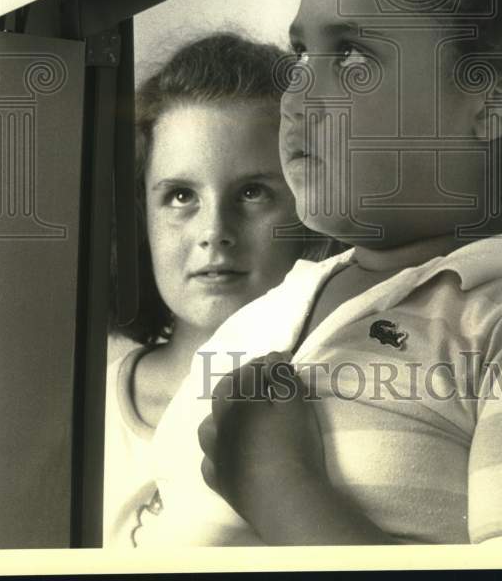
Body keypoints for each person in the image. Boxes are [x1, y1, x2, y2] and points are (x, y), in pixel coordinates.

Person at [139, 0, 502, 547]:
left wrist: (280, 484)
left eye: (353, 58)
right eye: (301, 54)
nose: (298, 94)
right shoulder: (275, 306)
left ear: (495, 105)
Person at [103, 31, 335, 547]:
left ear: (309, 211)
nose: (215, 231)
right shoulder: (82, 400)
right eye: (181, 195)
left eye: (253, 192)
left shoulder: (333, 397)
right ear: (139, 216)